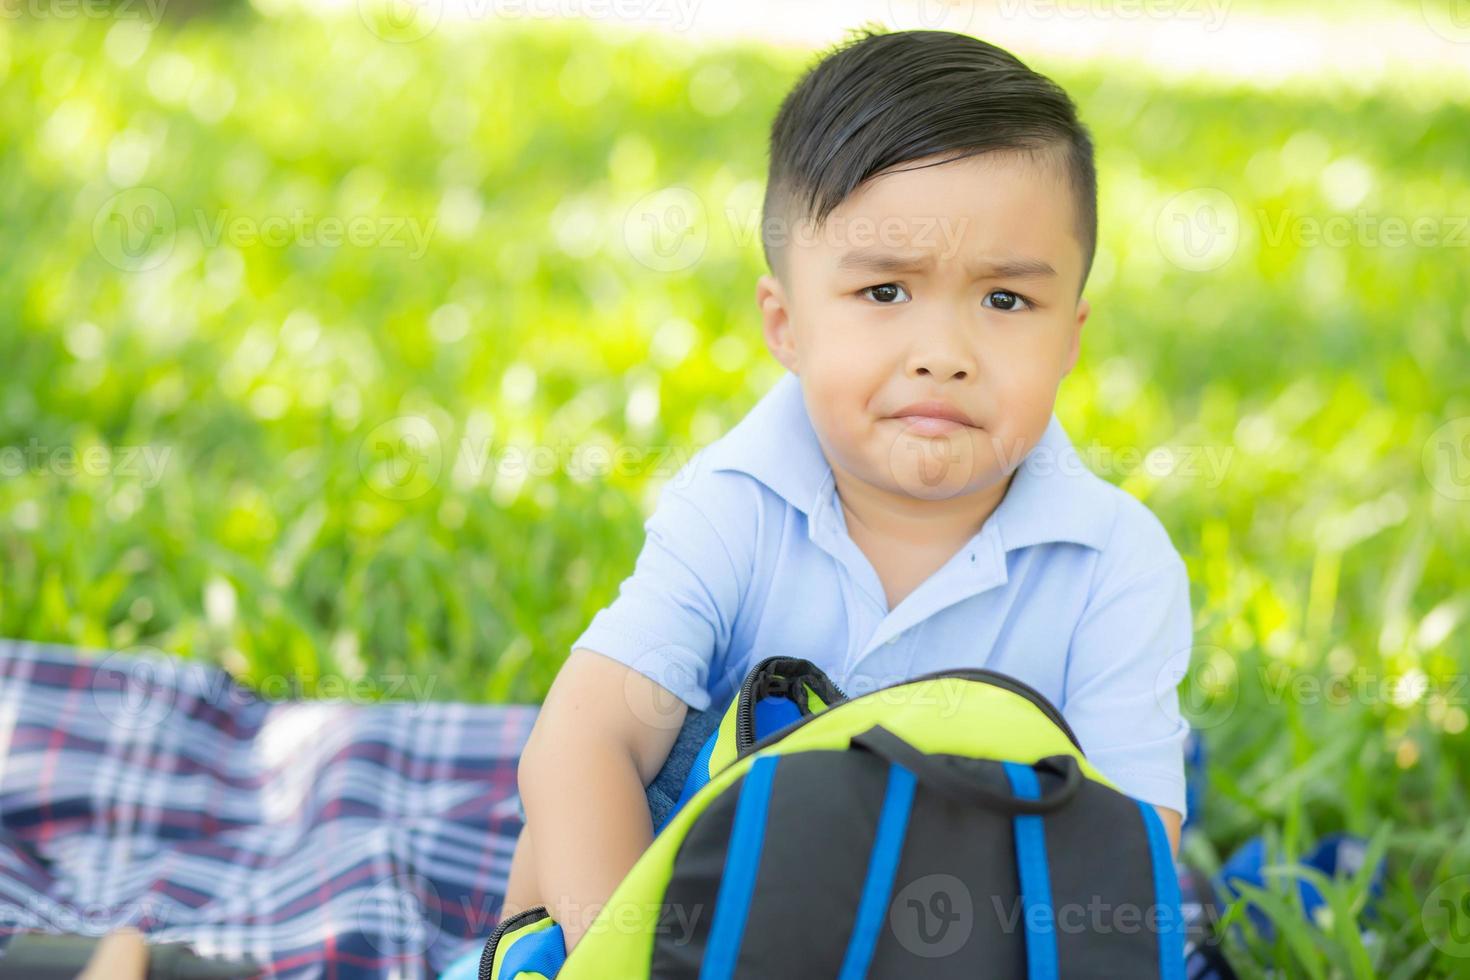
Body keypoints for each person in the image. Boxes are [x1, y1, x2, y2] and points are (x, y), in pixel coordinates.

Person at [504, 26, 1193, 956]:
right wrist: (622, 961)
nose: (942, 356)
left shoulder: (1114, 561)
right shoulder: (735, 504)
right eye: (883, 292)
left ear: (1070, 337)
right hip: (703, 914)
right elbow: (583, 743)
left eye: (1004, 302)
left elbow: (1128, 850)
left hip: (961, 925)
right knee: (571, 813)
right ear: (786, 326)